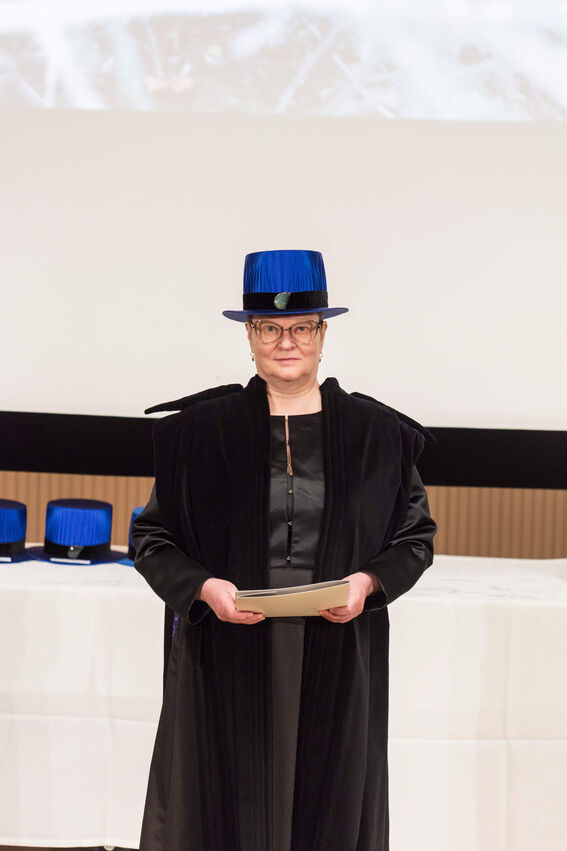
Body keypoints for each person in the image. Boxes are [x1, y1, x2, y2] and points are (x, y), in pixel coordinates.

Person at [132, 249, 437, 851]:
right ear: (249, 334)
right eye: (269, 328)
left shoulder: (379, 436)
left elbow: (414, 538)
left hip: (336, 643)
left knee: (329, 802)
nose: (286, 341)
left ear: (323, 333)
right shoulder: (198, 434)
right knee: (222, 803)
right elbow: (153, 537)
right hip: (227, 645)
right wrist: (202, 589)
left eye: (301, 327)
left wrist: (367, 585)